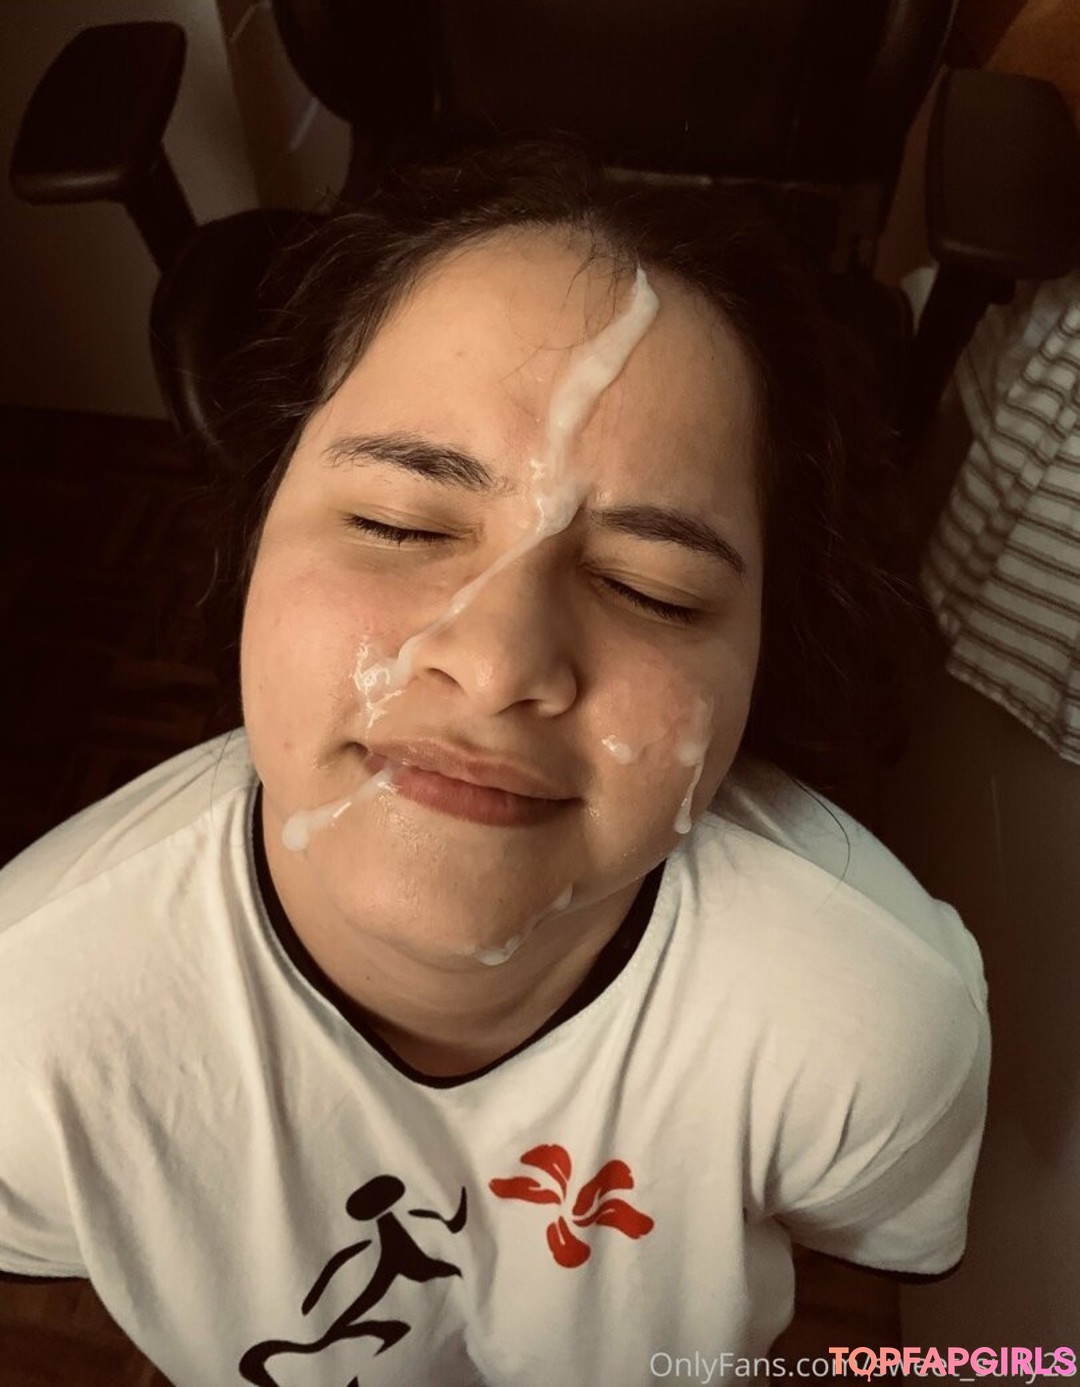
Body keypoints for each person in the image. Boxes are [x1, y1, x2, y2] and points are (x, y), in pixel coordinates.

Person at [0, 143, 988, 1385]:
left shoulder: (875, 1023)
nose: (496, 660)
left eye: (653, 587)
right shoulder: (33, 1031)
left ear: (759, 667)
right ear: (248, 542)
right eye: (399, 522)